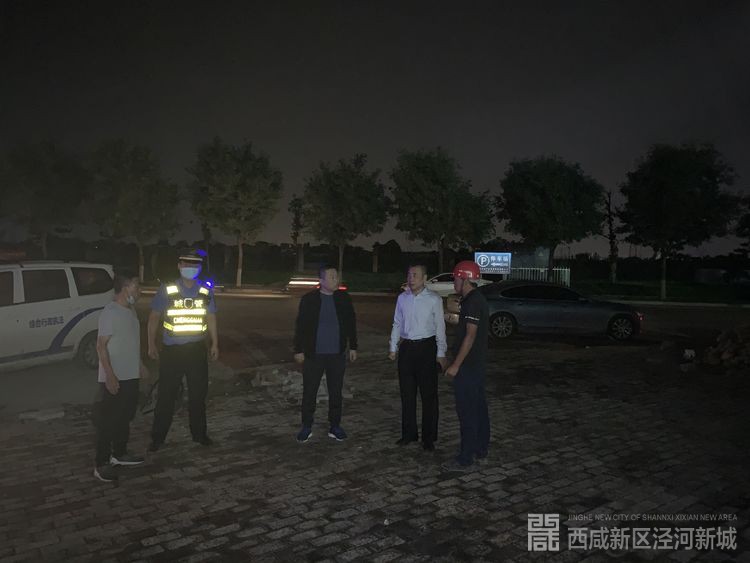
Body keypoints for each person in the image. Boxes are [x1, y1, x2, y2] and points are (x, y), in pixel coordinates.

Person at [147, 249, 218, 451]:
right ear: (179, 266)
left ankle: (199, 434)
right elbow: (154, 317)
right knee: (166, 396)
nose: (190, 268)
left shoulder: (205, 290)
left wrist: (215, 343)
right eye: (186, 264)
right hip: (172, 351)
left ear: (199, 268)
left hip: (196, 350)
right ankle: (158, 438)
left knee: (198, 396)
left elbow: (211, 317)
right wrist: (151, 344)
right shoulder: (167, 289)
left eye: (194, 265)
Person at [293, 265, 358, 443]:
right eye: (332, 277)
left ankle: (335, 426)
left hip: (336, 354)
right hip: (314, 354)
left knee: (336, 392)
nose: (336, 280)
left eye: (336, 276)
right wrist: (298, 349)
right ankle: (307, 426)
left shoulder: (343, 299)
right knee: (310, 391)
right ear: (321, 280)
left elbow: (351, 322)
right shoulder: (309, 299)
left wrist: (353, 346)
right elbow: (301, 325)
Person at [94, 270, 147, 483]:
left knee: (124, 417)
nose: (140, 291)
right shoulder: (110, 312)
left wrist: (140, 365)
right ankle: (101, 464)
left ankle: (120, 453)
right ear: (125, 288)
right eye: (136, 286)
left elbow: (131, 341)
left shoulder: (130, 310)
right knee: (108, 422)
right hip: (115, 377)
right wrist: (110, 376)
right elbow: (100, 346)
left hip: (130, 374)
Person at [389, 264, 447, 451]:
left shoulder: (434, 299)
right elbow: (397, 322)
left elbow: (440, 327)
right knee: (407, 394)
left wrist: (441, 353)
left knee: (428, 396)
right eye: (409, 274)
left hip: (426, 348)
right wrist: (393, 346)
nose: (411, 278)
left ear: (424, 278)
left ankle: (428, 437)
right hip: (407, 348)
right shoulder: (402, 298)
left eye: (415, 275)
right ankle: (409, 433)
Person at [442, 260, 490, 471]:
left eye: (456, 278)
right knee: (478, 408)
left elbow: (470, 336)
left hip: (468, 367)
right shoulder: (474, 300)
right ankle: (480, 449)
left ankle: (465, 457)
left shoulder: (473, 302)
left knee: (467, 411)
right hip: (475, 365)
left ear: (465, 279)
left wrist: (456, 365)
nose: (454, 282)